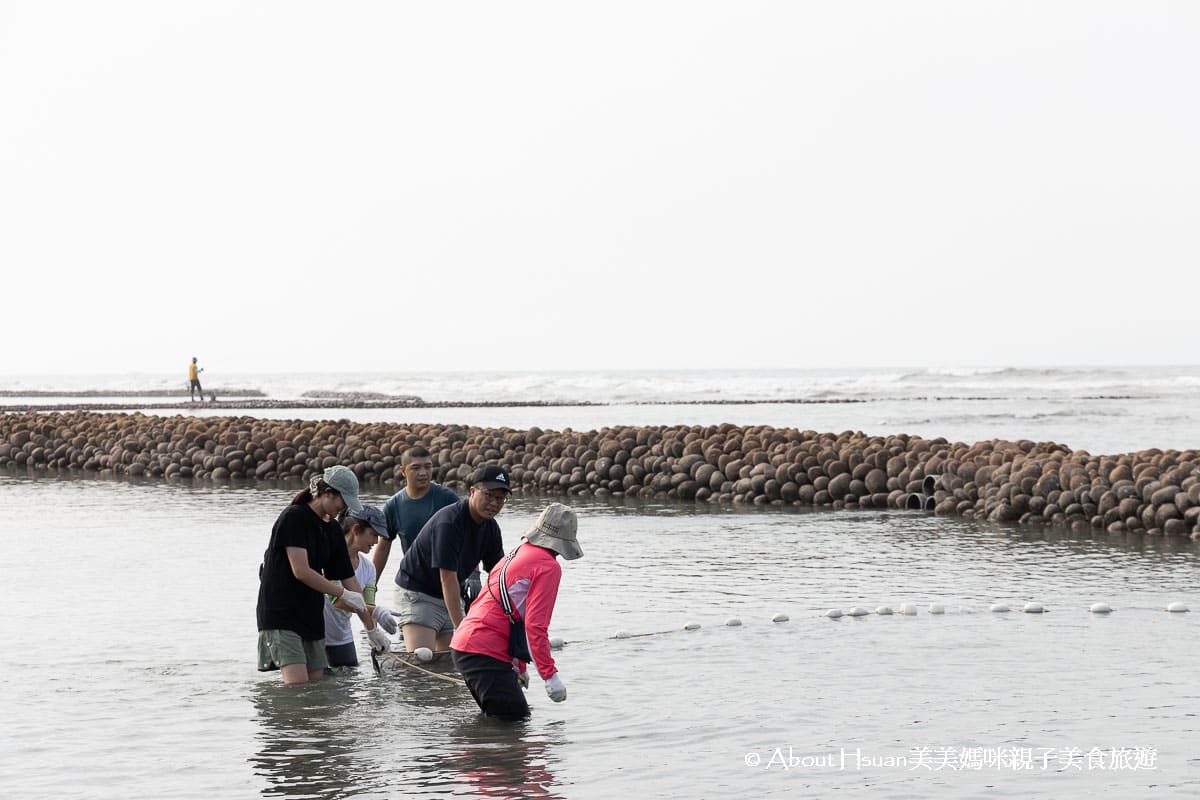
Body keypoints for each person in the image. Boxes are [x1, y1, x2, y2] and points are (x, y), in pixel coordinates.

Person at [450, 503, 582, 721]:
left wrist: (518, 666)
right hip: (485, 652)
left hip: (465, 647)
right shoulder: (548, 567)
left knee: (498, 725)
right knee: (514, 725)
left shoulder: (517, 552)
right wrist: (550, 676)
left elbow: (509, 613)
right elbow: (534, 626)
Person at [256, 465, 379, 685]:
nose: (343, 509)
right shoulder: (294, 518)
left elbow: (349, 580)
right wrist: (341, 593)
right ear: (327, 493)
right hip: (281, 612)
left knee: (316, 688)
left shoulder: (332, 529)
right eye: (343, 501)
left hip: (311, 615)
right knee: (297, 688)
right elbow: (301, 571)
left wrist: (370, 628)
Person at [394, 465, 511, 653]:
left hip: (451, 595)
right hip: (418, 592)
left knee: (451, 661)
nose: (494, 503)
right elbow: (447, 578)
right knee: (423, 661)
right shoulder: (449, 522)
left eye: (500, 498)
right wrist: (461, 627)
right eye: (488, 495)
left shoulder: (491, 528)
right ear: (472, 491)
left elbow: (499, 576)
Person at [323, 504, 397, 669]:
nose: (376, 542)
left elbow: (367, 604)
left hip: (342, 637)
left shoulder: (368, 568)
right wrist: (377, 610)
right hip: (316, 637)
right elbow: (337, 600)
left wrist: (375, 636)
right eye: (373, 535)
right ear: (356, 530)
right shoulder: (326, 555)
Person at [375, 446, 459, 577]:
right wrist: (370, 585)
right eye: (416, 468)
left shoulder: (448, 499)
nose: (423, 473)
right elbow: (383, 547)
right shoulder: (393, 506)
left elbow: (467, 535)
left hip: (450, 578)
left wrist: (474, 575)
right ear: (403, 471)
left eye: (428, 467)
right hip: (413, 582)